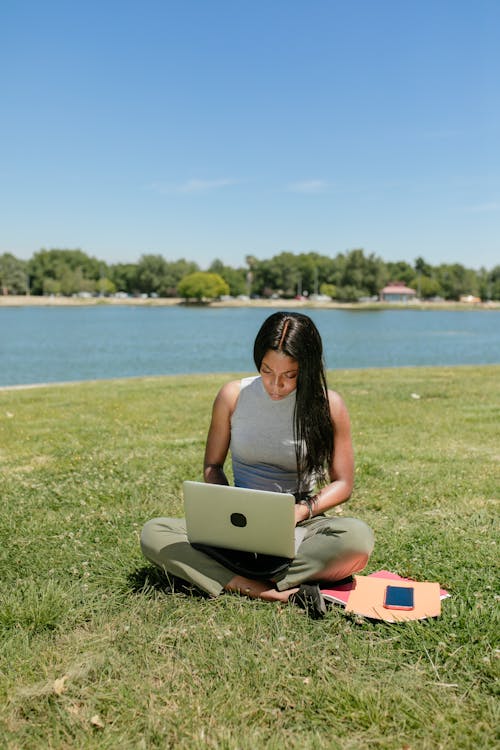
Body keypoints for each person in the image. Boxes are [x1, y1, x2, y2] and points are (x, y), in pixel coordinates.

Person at [141, 311, 374, 617]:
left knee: (356, 539)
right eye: (266, 371)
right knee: (154, 533)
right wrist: (223, 506)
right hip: (239, 525)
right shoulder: (233, 396)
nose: (275, 385)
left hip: (301, 527)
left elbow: (343, 483)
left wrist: (299, 512)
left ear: (307, 367)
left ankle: (229, 577)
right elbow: (213, 465)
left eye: (289, 375)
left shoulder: (329, 405)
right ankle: (266, 589)